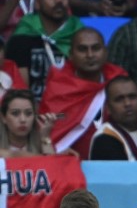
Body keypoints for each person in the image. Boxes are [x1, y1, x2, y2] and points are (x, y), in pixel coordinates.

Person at [40, 27, 128, 156]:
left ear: (105, 52)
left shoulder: (119, 81)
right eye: (82, 49)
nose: (90, 55)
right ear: (71, 54)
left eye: (96, 48)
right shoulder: (58, 86)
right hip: (68, 161)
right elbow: (47, 134)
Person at [6, 0, 83, 101]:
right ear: (37, 2)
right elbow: (21, 90)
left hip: (73, 108)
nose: (59, 0)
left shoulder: (80, 34)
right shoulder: (22, 36)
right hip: (33, 111)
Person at [90, 76, 137, 160]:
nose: (127, 103)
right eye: (119, 99)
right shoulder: (104, 139)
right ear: (108, 108)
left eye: (132, 97)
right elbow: (125, 173)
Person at [0, 88, 58, 156]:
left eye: (28, 113)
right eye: (15, 113)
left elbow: (51, 165)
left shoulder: (41, 144)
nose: (23, 120)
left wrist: (45, 138)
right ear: (3, 117)